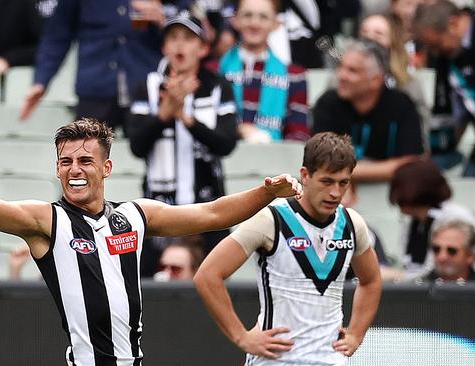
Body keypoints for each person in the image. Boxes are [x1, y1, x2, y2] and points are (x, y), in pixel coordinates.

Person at [0, 117, 302, 365]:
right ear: (56, 167)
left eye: (85, 161)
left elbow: (211, 213)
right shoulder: (47, 221)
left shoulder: (136, 216)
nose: (74, 169)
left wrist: (265, 193)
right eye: (66, 161)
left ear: (106, 167)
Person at [194, 132, 382, 365]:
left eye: (343, 183)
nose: (335, 192)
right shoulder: (271, 219)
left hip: (330, 360)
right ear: (305, 175)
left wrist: (356, 334)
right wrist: (241, 337)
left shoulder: (353, 224)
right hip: (274, 361)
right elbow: (208, 275)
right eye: (327, 181)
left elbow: (371, 280)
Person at [127, 13, 237, 274]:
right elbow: (136, 145)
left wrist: (186, 118)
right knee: (146, 289)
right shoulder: (148, 86)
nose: (179, 45)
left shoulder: (219, 86)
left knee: (214, 283)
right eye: (173, 38)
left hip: (208, 207)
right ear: (164, 47)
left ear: (203, 48)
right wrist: (165, 114)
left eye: (188, 38)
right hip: (157, 207)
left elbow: (226, 144)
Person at [20, 0, 190, 131]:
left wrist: (165, 19)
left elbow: (191, 23)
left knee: (154, 150)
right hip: (96, 85)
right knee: (84, 153)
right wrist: (41, 81)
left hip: (147, 85)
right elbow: (57, 35)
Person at [312, 39, 425, 182]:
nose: (341, 75)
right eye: (341, 67)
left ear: (376, 80)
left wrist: (345, 174)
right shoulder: (327, 103)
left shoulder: (401, 105)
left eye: (352, 70)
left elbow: (410, 164)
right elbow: (320, 164)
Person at [220, 0, 309, 144]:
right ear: (235, 20)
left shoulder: (294, 76)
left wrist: (265, 141)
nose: (254, 23)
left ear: (275, 24)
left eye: (263, 17)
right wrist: (239, 130)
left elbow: (298, 135)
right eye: (248, 15)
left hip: (276, 162)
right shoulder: (215, 70)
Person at [413, 0, 475, 176]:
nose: (435, 53)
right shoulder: (447, 58)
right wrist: (439, 149)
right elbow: (451, 115)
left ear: (453, 24)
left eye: (437, 45)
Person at [388, 159, 475, 280]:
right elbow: (408, 263)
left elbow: (441, 267)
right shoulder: (414, 221)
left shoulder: (455, 217)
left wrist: (397, 276)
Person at [358, 14, 431, 150]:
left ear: (392, 42)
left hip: (398, 159)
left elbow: (421, 139)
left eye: (378, 34)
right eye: (364, 32)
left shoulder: (409, 85)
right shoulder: (341, 80)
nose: (369, 38)